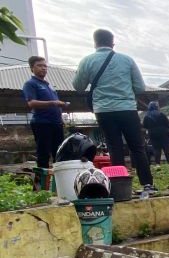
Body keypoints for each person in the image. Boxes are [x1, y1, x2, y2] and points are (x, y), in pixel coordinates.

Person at [73, 29, 156, 193]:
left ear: (95, 43)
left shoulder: (87, 61)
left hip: (103, 110)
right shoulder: (127, 60)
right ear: (112, 43)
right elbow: (140, 87)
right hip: (127, 109)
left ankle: (120, 187)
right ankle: (147, 184)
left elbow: (78, 86)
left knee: (114, 148)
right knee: (137, 147)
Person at [23, 56, 67, 168]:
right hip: (42, 123)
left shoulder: (48, 85)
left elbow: (56, 105)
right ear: (32, 68)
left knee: (59, 153)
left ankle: (58, 182)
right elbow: (31, 103)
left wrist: (60, 118)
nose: (43, 68)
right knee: (43, 154)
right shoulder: (30, 84)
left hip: (56, 123)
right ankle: (41, 184)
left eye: (45, 66)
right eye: (39, 65)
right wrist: (53, 103)